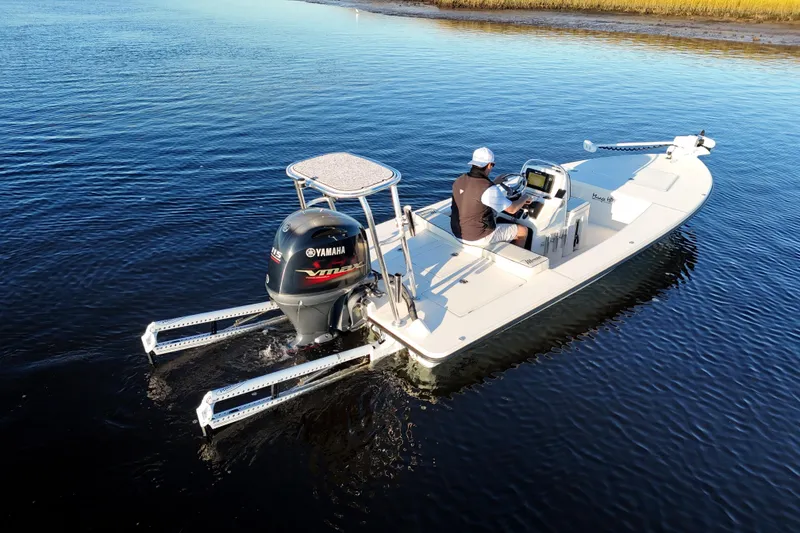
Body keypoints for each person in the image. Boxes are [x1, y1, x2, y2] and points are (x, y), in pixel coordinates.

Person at [450, 147, 532, 248]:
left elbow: (474, 190)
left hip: (457, 232)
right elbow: (512, 209)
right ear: (489, 165)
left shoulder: (459, 180)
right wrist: (525, 197)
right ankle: (517, 257)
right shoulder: (488, 189)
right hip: (477, 238)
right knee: (523, 231)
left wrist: (494, 182)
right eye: (492, 165)